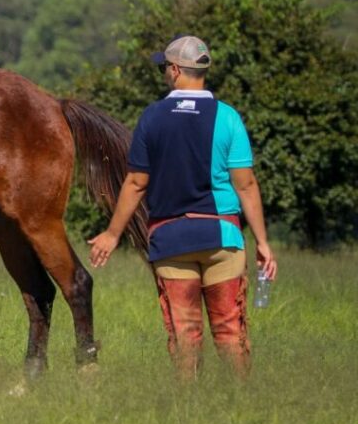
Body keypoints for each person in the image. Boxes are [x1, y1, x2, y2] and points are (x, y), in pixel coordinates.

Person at [88, 35, 278, 379]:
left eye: (165, 67)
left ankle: (187, 411)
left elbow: (136, 182)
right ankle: (242, 405)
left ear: (176, 70)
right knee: (230, 331)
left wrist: (112, 234)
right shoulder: (228, 117)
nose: (164, 73)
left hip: (170, 240)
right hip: (222, 237)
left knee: (186, 336)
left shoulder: (152, 117)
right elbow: (246, 184)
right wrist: (263, 243)